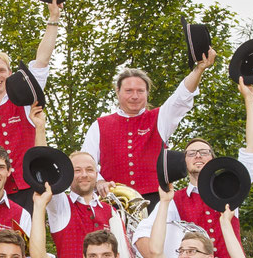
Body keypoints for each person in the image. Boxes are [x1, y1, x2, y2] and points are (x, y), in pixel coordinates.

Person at [127, 80, 253, 258]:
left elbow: (252, 149)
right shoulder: (175, 199)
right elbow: (141, 234)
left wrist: (250, 99)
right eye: (191, 153)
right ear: (184, 161)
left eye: (204, 152)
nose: (198, 155)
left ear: (213, 158)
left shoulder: (232, 187)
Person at [0, 8, 62, 208]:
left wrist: (53, 19)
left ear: (9, 72)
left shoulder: (25, 102)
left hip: (29, 189)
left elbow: (42, 62)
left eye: (1, 70)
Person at [77, 54, 212, 196]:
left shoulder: (160, 118)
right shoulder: (99, 125)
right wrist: (99, 181)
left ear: (147, 92)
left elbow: (181, 97)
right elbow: (85, 161)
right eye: (128, 91)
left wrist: (199, 69)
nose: (135, 96)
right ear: (118, 92)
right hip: (114, 201)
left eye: (140, 91)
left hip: (156, 200)